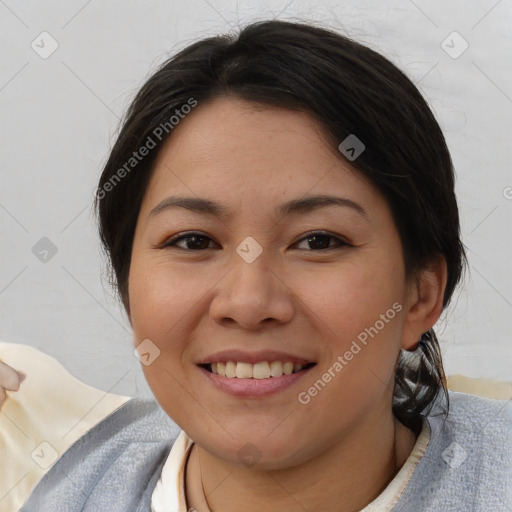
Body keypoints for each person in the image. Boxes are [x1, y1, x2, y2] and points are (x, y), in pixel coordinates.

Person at [1, 18, 511, 512]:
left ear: (421, 295)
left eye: (317, 241)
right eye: (193, 240)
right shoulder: (59, 484)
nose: (248, 302)